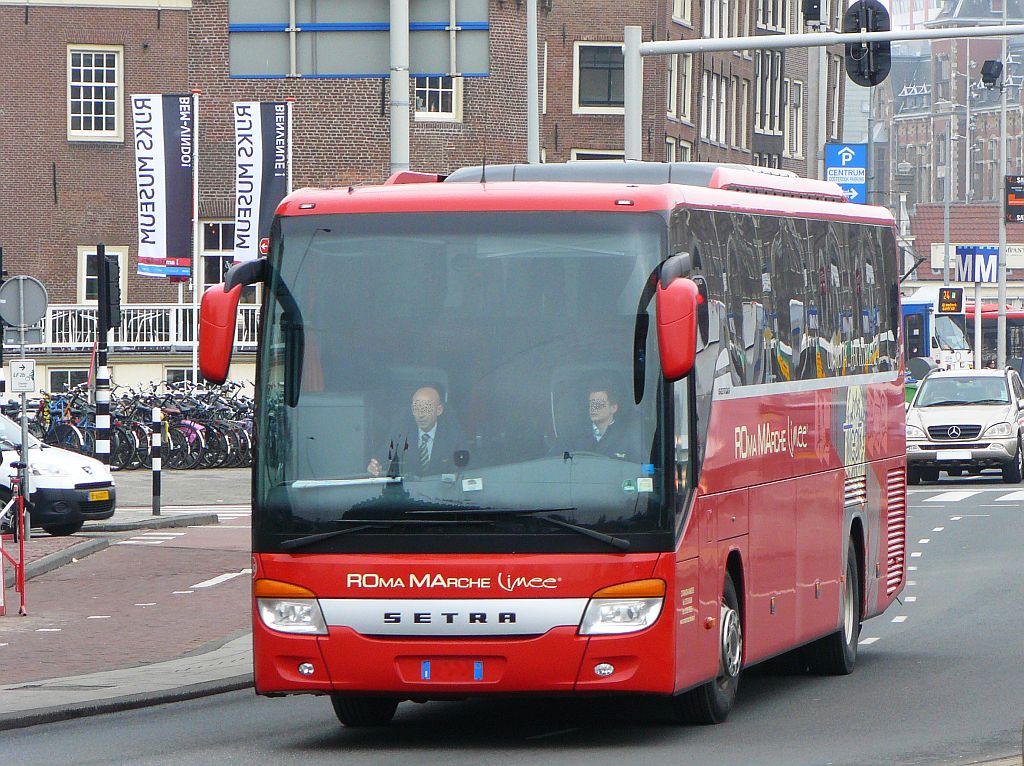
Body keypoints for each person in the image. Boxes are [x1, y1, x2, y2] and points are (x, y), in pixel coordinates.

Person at [367, 385, 465, 477]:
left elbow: (465, 469)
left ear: (439, 410)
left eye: (426, 409)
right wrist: (374, 467)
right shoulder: (400, 432)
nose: (420, 414)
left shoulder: (453, 436)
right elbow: (382, 458)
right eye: (416, 409)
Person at [569, 382, 643, 462]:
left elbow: (644, 468)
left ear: (613, 408)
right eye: (591, 403)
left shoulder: (627, 436)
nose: (593, 407)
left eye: (599, 403)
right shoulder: (577, 435)